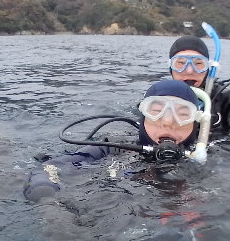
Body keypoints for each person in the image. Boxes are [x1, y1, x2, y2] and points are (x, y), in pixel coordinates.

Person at [23, 79, 205, 202]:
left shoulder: (205, 157)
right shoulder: (114, 147)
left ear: (195, 122)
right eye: (156, 111)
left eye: (183, 114)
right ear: (143, 116)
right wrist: (48, 201)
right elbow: (50, 167)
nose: (168, 122)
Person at [166, 35, 230, 134]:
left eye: (198, 63)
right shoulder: (158, 100)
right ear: (170, 68)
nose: (189, 70)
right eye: (181, 63)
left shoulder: (229, 102)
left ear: (208, 68)